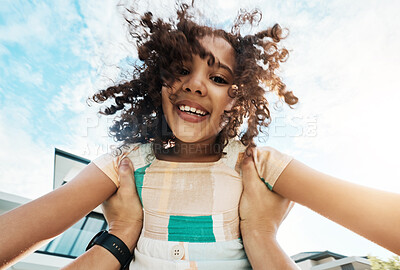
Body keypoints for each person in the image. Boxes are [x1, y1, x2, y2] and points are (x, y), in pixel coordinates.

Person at [1, 1, 400, 269]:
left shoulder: (258, 166)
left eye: (217, 77)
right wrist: (122, 233)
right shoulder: (123, 166)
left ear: (235, 98)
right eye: (181, 70)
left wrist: (260, 232)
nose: (195, 85)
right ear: (159, 83)